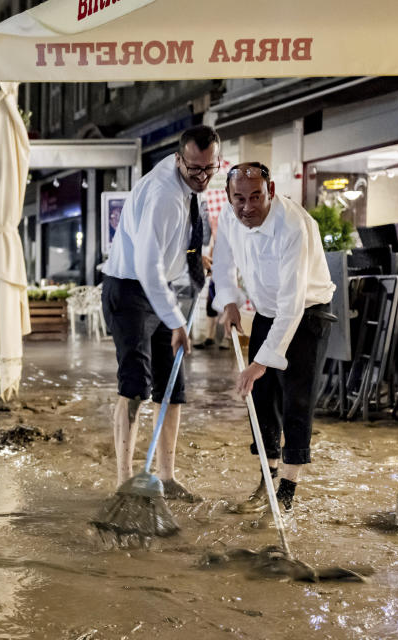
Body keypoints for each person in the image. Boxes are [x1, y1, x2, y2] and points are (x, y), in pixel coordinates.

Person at [101, 125, 222, 502]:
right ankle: (125, 481)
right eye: (194, 170)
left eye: (209, 169)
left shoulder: (191, 189)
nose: (202, 177)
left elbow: (172, 248)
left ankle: (167, 477)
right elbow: (147, 267)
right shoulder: (164, 196)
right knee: (135, 386)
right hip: (131, 290)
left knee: (173, 389)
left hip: (163, 289)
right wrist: (175, 321)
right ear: (177, 160)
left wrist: (190, 260)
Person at [212, 162, 335, 514]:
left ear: (271, 190)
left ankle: (288, 490)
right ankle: (268, 477)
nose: (247, 207)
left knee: (297, 398)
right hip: (267, 310)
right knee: (261, 399)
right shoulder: (229, 217)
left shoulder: (293, 225)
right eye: (239, 199)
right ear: (228, 196)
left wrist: (259, 362)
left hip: (308, 311)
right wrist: (230, 301)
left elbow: (293, 304)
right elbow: (222, 265)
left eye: (256, 197)